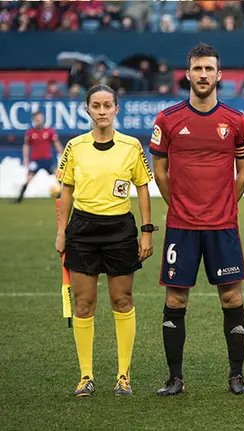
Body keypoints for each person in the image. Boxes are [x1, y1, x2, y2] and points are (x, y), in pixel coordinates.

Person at [149, 43, 244, 396]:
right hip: (182, 225)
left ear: (219, 74)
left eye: (210, 69)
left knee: (231, 299)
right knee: (176, 300)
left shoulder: (236, 121)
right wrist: (175, 201)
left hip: (223, 225)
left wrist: (226, 201)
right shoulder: (168, 119)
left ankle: (237, 376)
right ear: (188, 73)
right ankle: (175, 378)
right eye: (198, 69)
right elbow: (159, 169)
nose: (204, 75)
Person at [55, 84, 154, 397]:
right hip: (82, 231)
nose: (101, 111)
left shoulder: (131, 146)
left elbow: (142, 187)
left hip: (120, 231)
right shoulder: (75, 146)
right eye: (95, 105)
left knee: (122, 300)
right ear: (87, 109)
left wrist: (146, 229)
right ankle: (86, 376)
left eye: (107, 105)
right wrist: (61, 230)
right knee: (84, 304)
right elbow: (66, 189)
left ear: (116, 109)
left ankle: (123, 376)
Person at [15, 111, 63, 203]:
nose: (39, 121)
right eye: (37, 119)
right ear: (34, 120)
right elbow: (26, 145)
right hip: (35, 160)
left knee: (59, 176)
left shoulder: (49, 131)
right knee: (28, 179)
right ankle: (19, 199)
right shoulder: (30, 133)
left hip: (48, 159)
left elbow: (57, 144)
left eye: (41, 118)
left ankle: (65, 195)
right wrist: (25, 158)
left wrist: (62, 153)